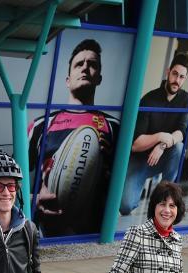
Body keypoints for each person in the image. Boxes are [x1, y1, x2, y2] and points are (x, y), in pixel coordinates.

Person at [29, 38, 119, 236]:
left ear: (99, 78)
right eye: (79, 64)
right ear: (68, 79)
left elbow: (123, 183)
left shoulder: (113, 128)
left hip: (92, 233)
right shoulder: (42, 125)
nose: (85, 68)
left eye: (92, 64)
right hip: (45, 230)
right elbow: (14, 177)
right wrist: (33, 198)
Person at [121, 53, 188, 216]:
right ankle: (137, 191)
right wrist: (160, 136)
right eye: (175, 74)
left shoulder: (185, 98)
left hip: (162, 157)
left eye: (182, 77)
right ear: (168, 72)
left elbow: (181, 132)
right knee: (125, 206)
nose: (177, 80)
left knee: (179, 148)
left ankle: (166, 197)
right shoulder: (148, 100)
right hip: (141, 160)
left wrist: (162, 145)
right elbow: (135, 144)